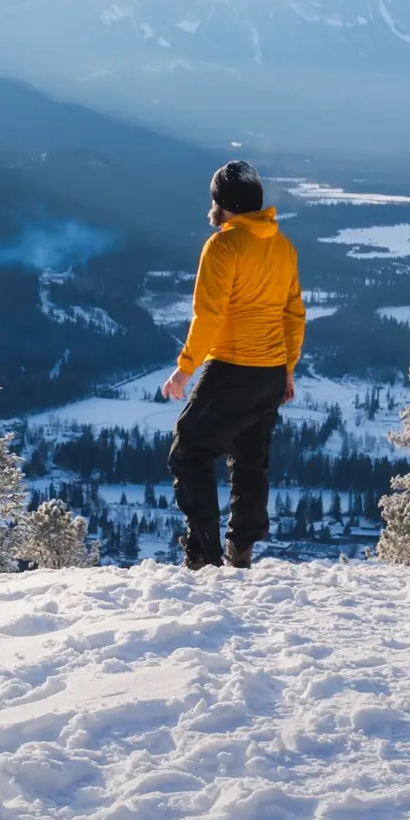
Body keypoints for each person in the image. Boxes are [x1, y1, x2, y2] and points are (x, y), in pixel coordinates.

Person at [162, 160, 304, 569]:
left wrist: (184, 369)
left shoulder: (223, 246)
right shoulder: (282, 246)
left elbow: (209, 316)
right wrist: (287, 369)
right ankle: (240, 550)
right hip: (271, 372)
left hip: (233, 367)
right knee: (249, 458)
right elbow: (293, 314)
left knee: (188, 449)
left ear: (224, 203)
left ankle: (203, 556)